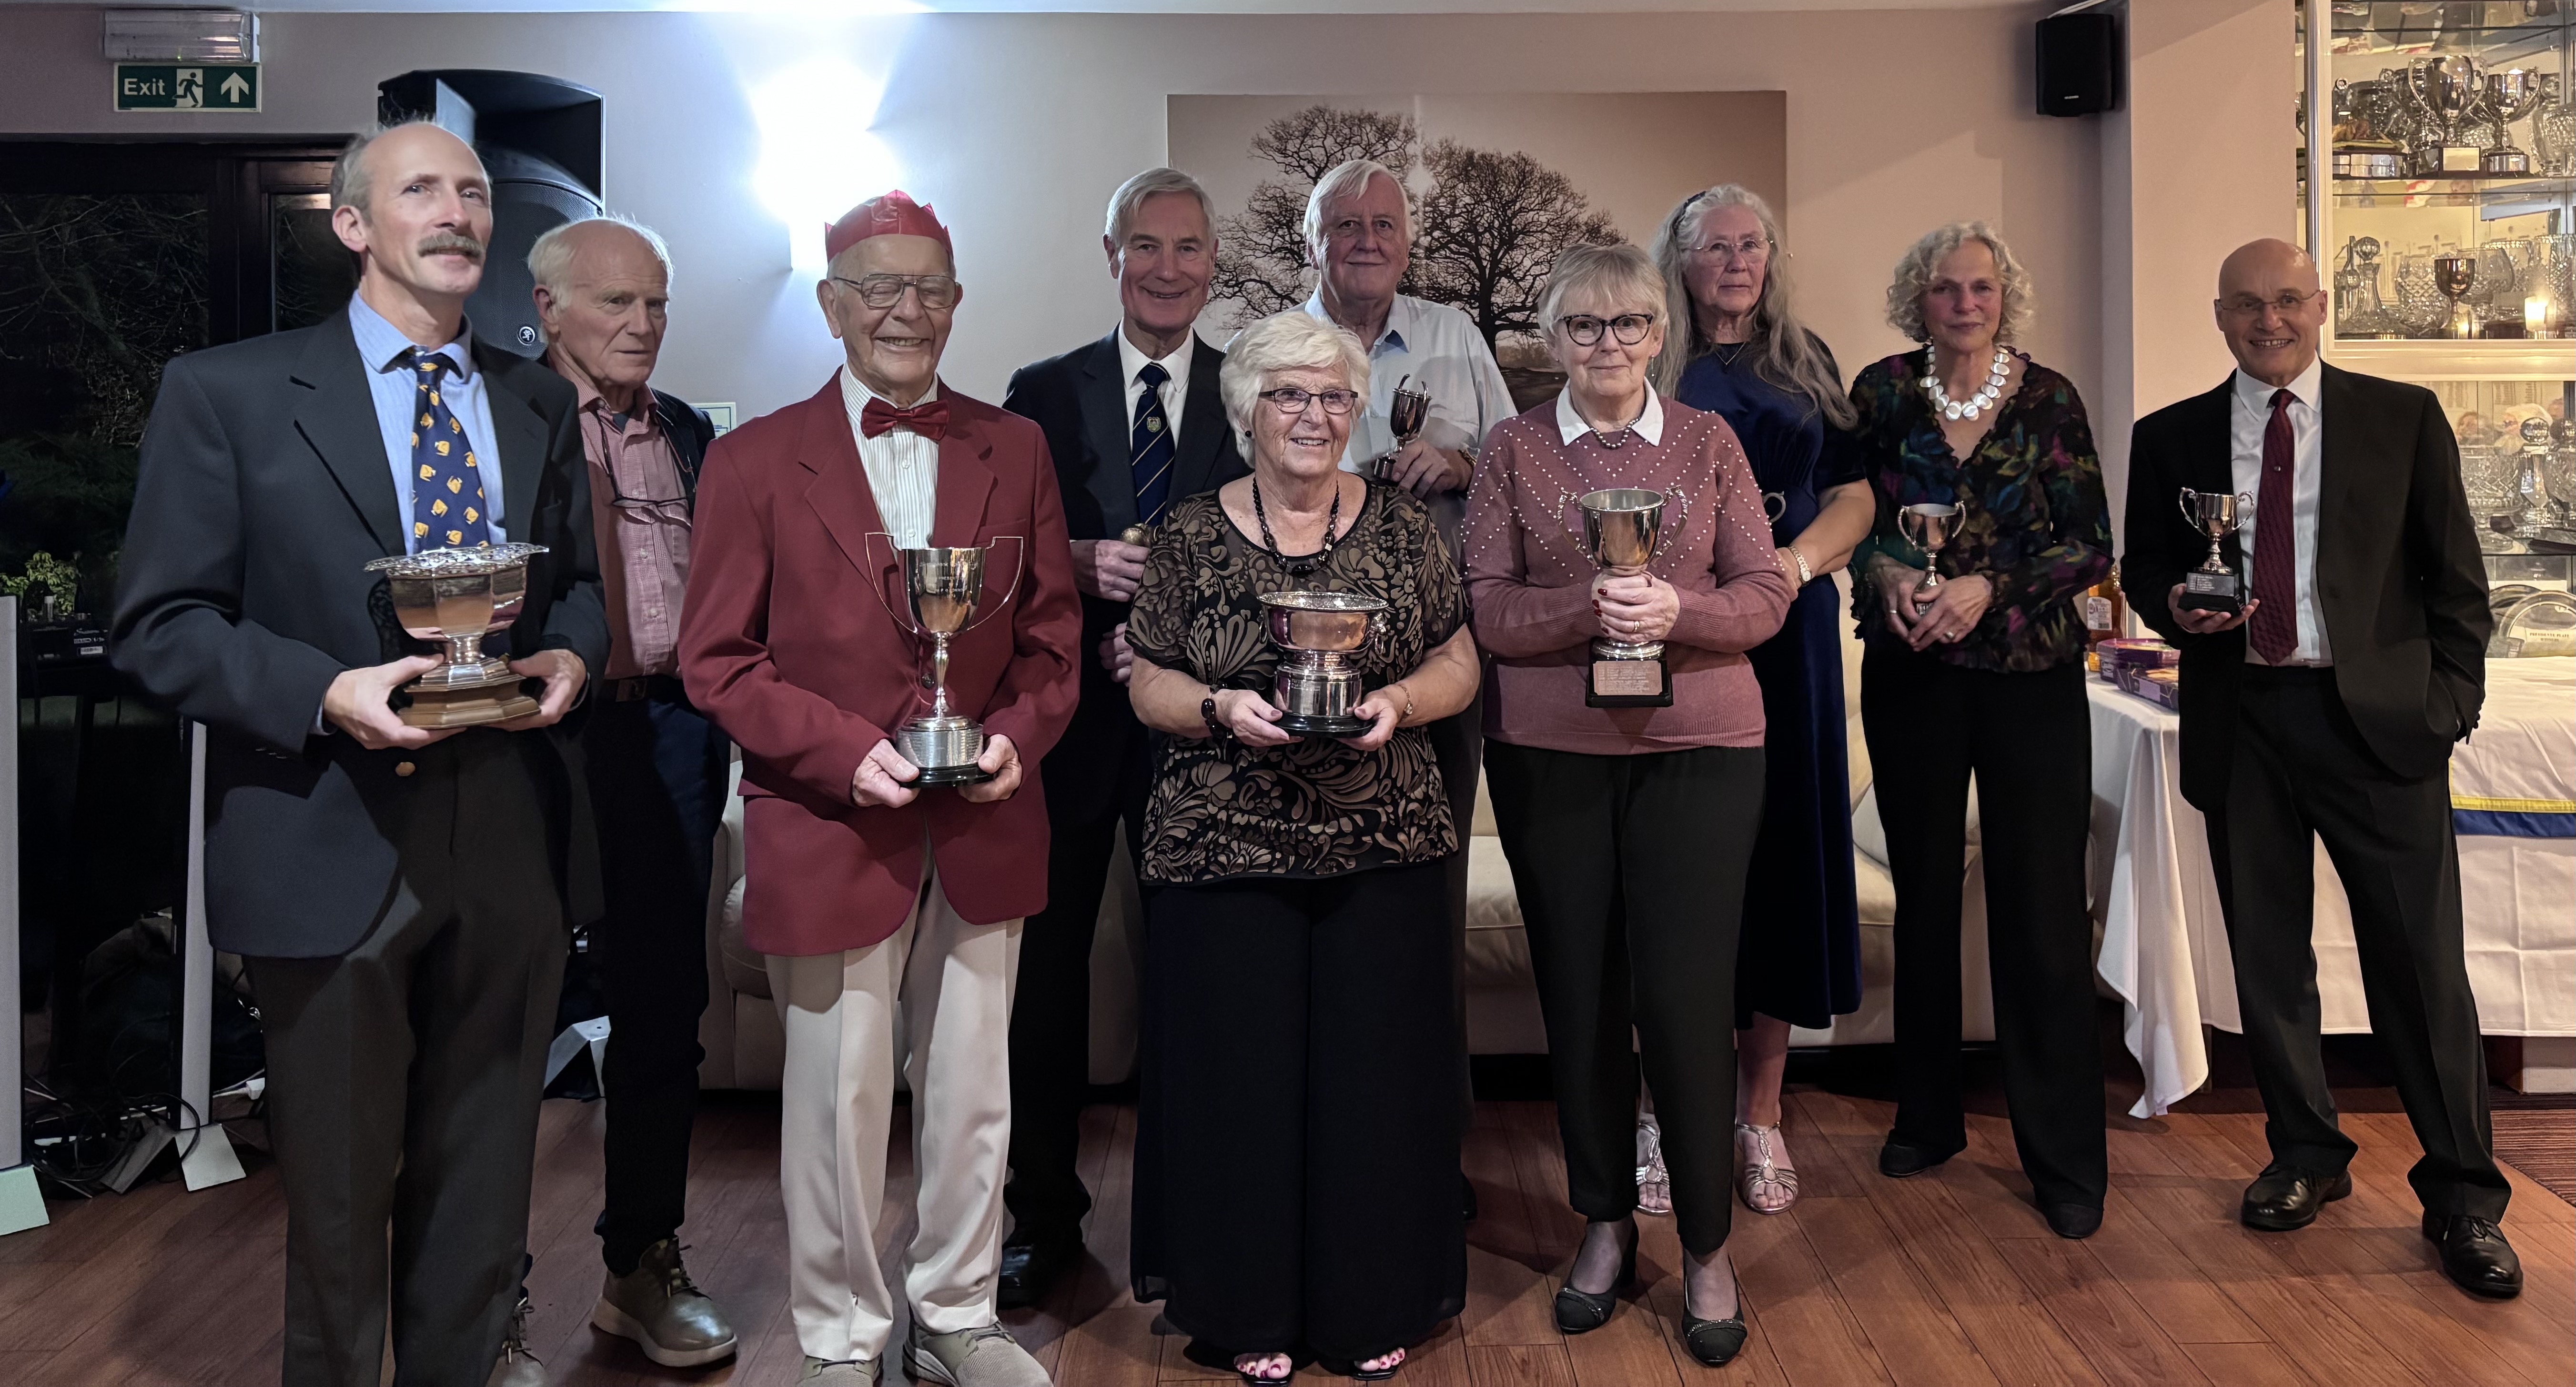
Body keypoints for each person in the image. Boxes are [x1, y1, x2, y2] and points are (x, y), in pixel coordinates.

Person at [111, 120, 605, 1386]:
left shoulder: (539, 398)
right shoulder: (224, 393)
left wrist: (573, 658)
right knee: (336, 1205)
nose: (458, 213)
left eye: (476, 192)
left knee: (485, 1188)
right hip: (325, 841)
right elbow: (160, 628)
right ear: (351, 224)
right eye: (424, 190)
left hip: (507, 840)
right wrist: (324, 689)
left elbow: (581, 590)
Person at [677, 191, 1082, 1386]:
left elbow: (1053, 642)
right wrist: (840, 750)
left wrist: (1014, 735)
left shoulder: (1017, 447)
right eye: (879, 287)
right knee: (835, 1101)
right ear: (831, 304)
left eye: (931, 289)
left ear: (958, 303)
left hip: (986, 814)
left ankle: (956, 1316)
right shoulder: (751, 459)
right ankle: (841, 1338)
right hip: (826, 819)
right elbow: (716, 659)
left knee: (973, 1093)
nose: (907, 310)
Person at [2121, 239, 2516, 1299]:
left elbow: (2457, 583)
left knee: (2420, 970)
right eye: (2247, 305)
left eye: (2287, 300)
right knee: (2268, 959)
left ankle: (2464, 1198)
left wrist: (2444, 710)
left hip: (2378, 729)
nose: (2269, 321)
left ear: (2321, 305)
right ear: (2218, 317)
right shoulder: (2170, 436)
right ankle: (2304, 1154)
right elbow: (2146, 566)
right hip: (2240, 719)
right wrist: (2173, 606)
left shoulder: (2401, 417)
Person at [1124, 310, 1479, 1384]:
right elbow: (1145, 676)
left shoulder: (1407, 527)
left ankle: (1370, 1298)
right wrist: (1222, 706)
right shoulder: (1187, 532)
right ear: (1244, 412)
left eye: (1331, 395)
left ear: (1356, 407)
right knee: (1239, 1081)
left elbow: (1459, 656)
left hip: (1385, 841)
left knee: (1375, 1083)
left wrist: (1403, 702)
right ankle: (1245, 1307)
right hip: (1220, 846)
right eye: (1286, 394)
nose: (1312, 415)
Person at [1463, 243, 1791, 1366]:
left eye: (1631, 324)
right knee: (1583, 996)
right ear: (1551, 341)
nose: (1609, 344)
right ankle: (1603, 1224)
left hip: (1701, 747)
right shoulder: (1511, 449)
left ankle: (1705, 1243)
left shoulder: (1707, 442)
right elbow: (1486, 606)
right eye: (1585, 327)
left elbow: (1764, 592)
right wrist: (1581, 611)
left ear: (1663, 334)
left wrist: (1674, 611)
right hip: (1552, 753)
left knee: (1688, 998)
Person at [997, 167, 1247, 1307]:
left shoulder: (1254, 392)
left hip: (1200, 734)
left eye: (1186, 249)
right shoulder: (1040, 392)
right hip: (1066, 731)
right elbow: (1004, 555)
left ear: (1213, 263)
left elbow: (1267, 553)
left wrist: (1166, 639)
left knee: (1199, 978)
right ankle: (1042, 1219)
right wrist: (1081, 566)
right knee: (1041, 986)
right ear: (1111, 257)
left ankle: (1201, 1218)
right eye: (1143, 246)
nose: (1165, 269)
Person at [1845, 221, 2110, 1238]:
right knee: (1920, 898)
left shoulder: (2048, 399)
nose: (1964, 304)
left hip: (2029, 678)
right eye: (1947, 289)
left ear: (2006, 299)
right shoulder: (1877, 391)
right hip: (1909, 671)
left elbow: (2090, 543)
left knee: (2039, 911)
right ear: (1920, 299)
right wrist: (1887, 571)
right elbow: (1850, 512)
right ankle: (1927, 1116)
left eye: (1982, 289)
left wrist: (1984, 585)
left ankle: (2063, 1159)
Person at [525, 215, 737, 1366]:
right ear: (548, 305)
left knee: (665, 1006)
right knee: (504, 1017)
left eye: (655, 303)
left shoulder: (691, 431)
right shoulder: (503, 419)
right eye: (616, 304)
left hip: (669, 731)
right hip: (538, 737)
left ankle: (639, 1263)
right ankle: (488, 1292)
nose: (643, 325)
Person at [1636, 185, 1870, 1217]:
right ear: (1676, 260)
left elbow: (1858, 492)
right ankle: (1659, 1108)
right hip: (1679, 629)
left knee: (1783, 864)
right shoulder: (1649, 358)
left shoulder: (1806, 359)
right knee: (1676, 872)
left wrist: (1792, 566)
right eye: (1715, 246)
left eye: (1752, 245)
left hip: (1792, 630)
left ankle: (1760, 1113)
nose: (1737, 261)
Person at [1297, 159, 1517, 1205]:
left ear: (1407, 239)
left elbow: (1518, 469)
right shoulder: (1276, 353)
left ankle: (1432, 1140)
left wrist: (1463, 467)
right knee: (1321, 902)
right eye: (1346, 224)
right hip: (1302, 673)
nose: (1367, 240)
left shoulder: (1455, 340)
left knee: (1425, 906)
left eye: (1384, 223)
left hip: (1437, 667)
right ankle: (1324, 1137)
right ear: (1314, 240)